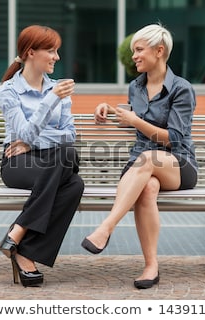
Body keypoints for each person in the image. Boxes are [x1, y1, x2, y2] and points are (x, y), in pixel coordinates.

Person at [81, 23, 198, 289]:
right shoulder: (136, 86)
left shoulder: (181, 89)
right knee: (147, 187)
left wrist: (135, 121)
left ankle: (106, 228)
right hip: (143, 167)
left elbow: (174, 137)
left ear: (159, 51)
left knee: (147, 159)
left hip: (179, 164)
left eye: (139, 49)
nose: (134, 56)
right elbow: (135, 117)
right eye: (133, 50)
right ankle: (151, 266)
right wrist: (108, 109)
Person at [0, 25, 84, 287]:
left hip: (52, 159)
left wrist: (32, 144)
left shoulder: (59, 89)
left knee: (70, 163)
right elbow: (23, 133)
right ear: (31, 52)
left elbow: (69, 136)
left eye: (57, 51)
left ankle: (19, 239)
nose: (56, 57)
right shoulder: (8, 91)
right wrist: (50, 99)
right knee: (73, 181)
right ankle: (21, 245)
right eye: (51, 51)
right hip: (17, 163)